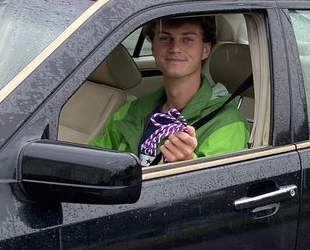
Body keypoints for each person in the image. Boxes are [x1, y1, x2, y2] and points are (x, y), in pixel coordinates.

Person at [91, 16, 248, 164]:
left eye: (187, 39)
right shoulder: (132, 110)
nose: (175, 48)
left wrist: (187, 165)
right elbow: (94, 162)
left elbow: (218, 187)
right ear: (153, 47)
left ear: (205, 50)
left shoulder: (227, 123)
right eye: (165, 38)